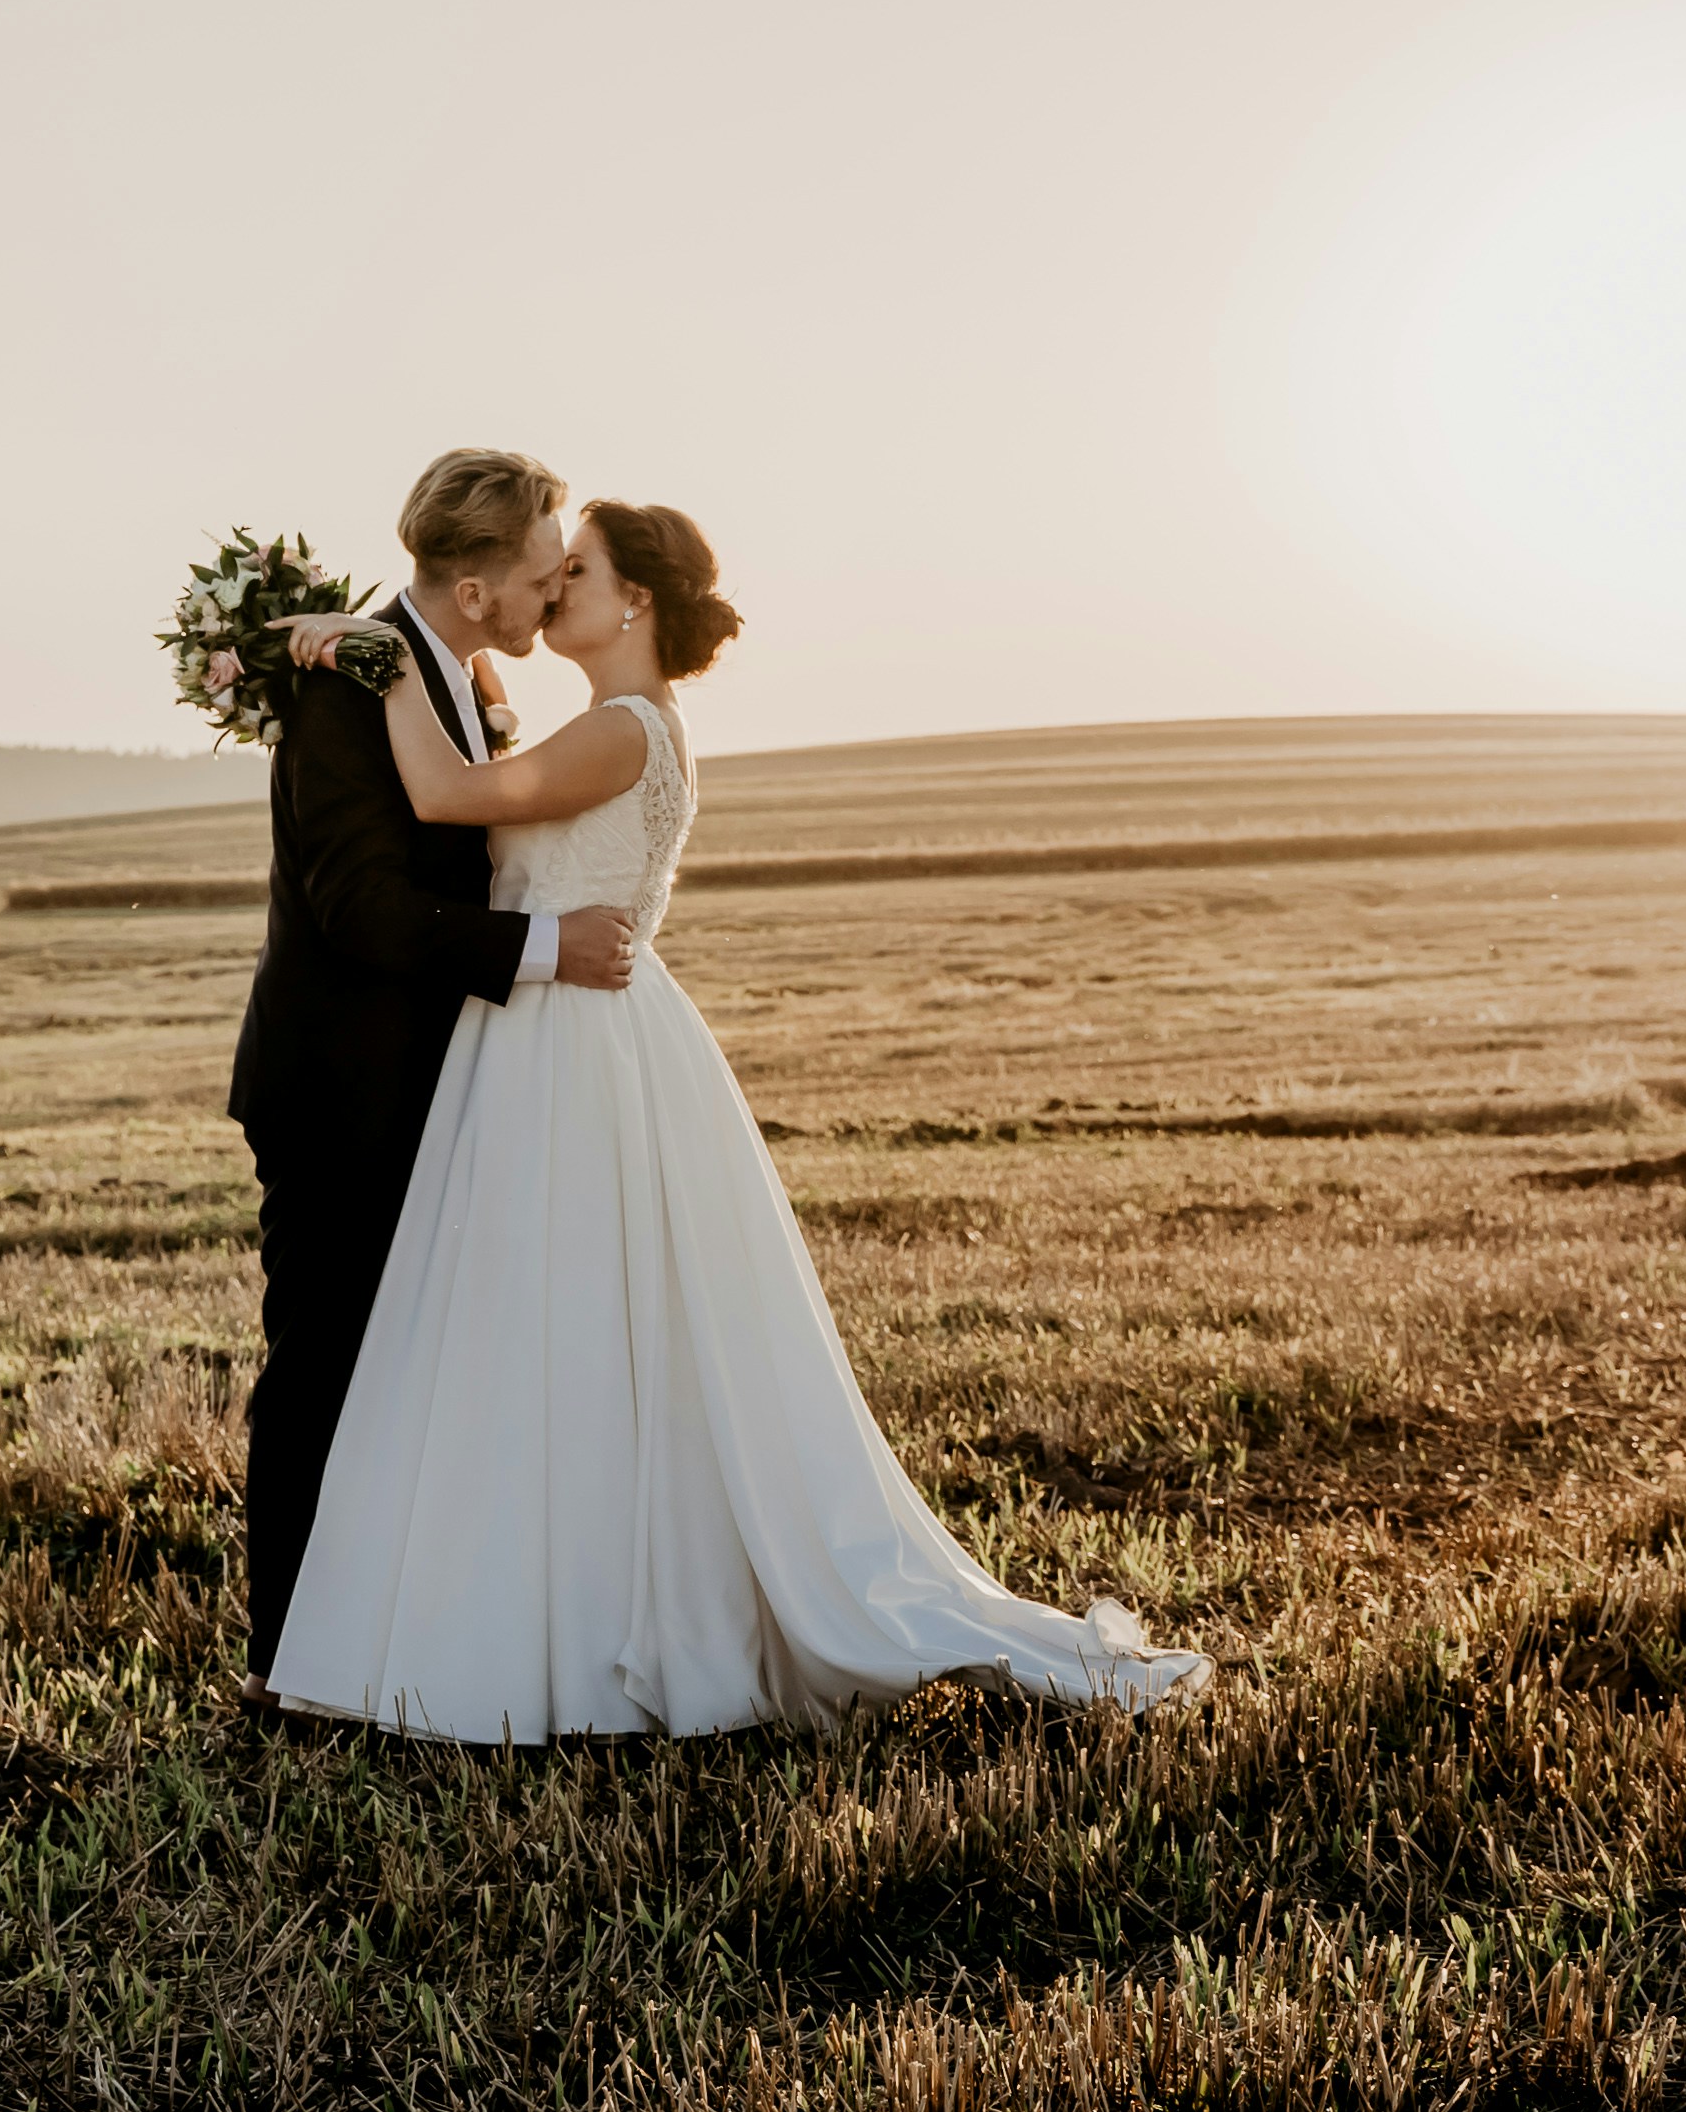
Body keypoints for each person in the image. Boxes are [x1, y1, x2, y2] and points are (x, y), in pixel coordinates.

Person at [265, 497, 1207, 1740]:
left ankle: (572, 1625)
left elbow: (444, 801)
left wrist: (379, 661)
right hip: (549, 1036)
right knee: (565, 1329)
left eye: (577, 572)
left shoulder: (621, 731)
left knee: (577, 1322)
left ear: (636, 601)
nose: (553, 590)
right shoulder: (608, 725)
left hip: (577, 1047)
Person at [224, 449, 639, 1695]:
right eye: (537, 570)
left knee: (412, 1370)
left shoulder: (452, 674)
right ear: (473, 594)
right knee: (324, 1371)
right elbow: (359, 907)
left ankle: (387, 1639)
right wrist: (544, 947)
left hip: (436, 1084)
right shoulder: (350, 686)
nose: (552, 586)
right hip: (342, 1091)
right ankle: (287, 1666)